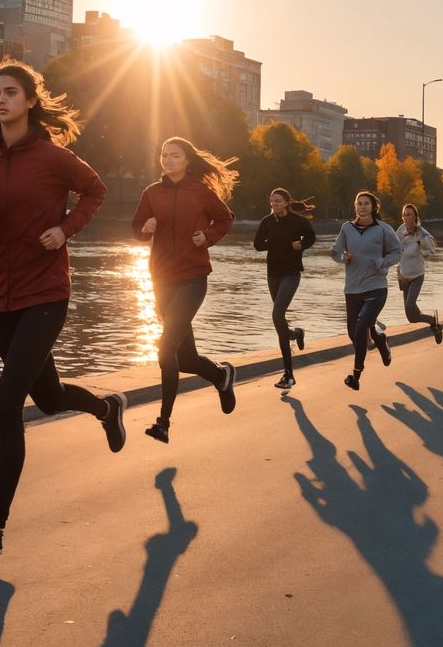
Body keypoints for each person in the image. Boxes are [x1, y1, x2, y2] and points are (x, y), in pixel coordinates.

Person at [0, 61, 125, 556]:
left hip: (45, 294)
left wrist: (65, 230)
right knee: (47, 397)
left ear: (29, 101)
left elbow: (96, 190)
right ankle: (107, 408)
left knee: (7, 404)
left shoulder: (53, 157)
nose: (1, 100)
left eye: (10, 92)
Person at [132, 137, 239, 442]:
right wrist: (145, 229)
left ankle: (163, 422)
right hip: (161, 280)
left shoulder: (201, 191)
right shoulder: (151, 193)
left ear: (188, 160)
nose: (167, 160)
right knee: (187, 359)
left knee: (166, 348)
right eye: (164, 155)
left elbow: (225, 218)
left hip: (193, 277)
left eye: (175, 155)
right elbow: (136, 227)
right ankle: (221, 375)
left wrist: (207, 236)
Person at [331, 191, 403, 389]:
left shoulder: (383, 229)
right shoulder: (347, 228)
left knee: (361, 327)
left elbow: (397, 252)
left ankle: (356, 375)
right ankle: (380, 339)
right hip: (352, 288)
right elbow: (335, 252)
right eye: (359, 203)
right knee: (353, 333)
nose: (362, 206)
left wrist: (382, 262)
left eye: (366, 203)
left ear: (373, 207)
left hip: (376, 287)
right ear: (355, 206)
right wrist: (343, 258)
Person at [254, 187, 315, 391]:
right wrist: (273, 242)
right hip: (273, 274)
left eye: (278, 201)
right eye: (272, 201)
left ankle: (288, 374)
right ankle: (295, 333)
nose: (274, 204)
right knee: (279, 320)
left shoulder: (298, 221)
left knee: (277, 314)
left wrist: (301, 244)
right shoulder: (267, 221)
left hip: (291, 273)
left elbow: (311, 237)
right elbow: (257, 245)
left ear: (286, 203)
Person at [394, 203, 443, 347]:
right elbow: (393, 247)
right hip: (403, 275)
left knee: (410, 305)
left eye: (409, 214)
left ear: (415, 216)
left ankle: (434, 324)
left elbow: (432, 249)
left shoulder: (422, 233)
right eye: (404, 214)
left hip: (417, 275)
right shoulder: (400, 230)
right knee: (411, 317)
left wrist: (421, 248)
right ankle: (432, 321)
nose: (406, 217)